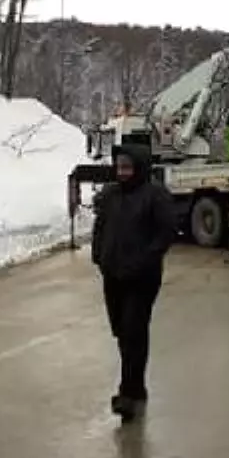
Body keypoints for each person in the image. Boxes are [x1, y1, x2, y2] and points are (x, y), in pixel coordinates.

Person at [91, 143, 176, 422]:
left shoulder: (155, 196)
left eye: (127, 167)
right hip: (113, 275)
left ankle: (127, 393)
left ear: (139, 167)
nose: (122, 172)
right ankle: (137, 386)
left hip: (142, 279)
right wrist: (99, 256)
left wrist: (143, 262)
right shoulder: (111, 195)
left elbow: (164, 234)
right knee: (122, 332)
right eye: (119, 167)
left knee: (133, 330)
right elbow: (100, 227)